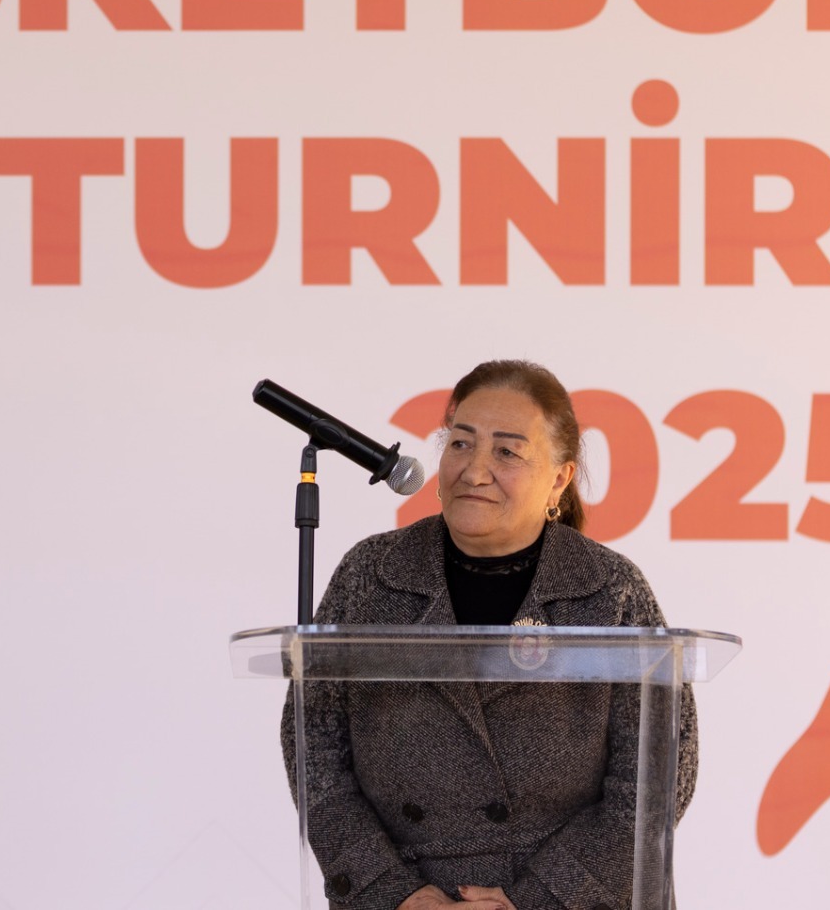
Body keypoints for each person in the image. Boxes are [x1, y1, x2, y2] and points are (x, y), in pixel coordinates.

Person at [281, 360, 698, 910]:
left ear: (559, 479)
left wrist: (538, 899)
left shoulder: (609, 588)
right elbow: (313, 750)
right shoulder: (372, 573)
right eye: (460, 444)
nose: (474, 470)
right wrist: (390, 892)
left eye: (507, 452)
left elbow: (660, 778)